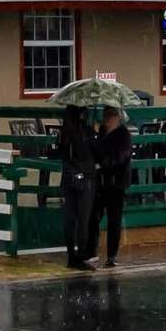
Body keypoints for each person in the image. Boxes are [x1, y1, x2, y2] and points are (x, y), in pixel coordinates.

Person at [55, 107, 99, 271]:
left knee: (70, 218)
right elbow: (96, 150)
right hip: (85, 177)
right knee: (83, 218)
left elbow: (59, 153)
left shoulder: (64, 133)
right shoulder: (85, 132)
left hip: (69, 177)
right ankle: (81, 254)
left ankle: (71, 256)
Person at [90, 105, 132, 267]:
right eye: (105, 116)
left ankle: (111, 255)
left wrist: (103, 165)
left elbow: (121, 159)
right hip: (101, 182)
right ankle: (91, 250)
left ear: (117, 118)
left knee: (114, 219)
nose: (107, 120)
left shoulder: (124, 135)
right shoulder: (101, 132)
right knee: (94, 215)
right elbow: (97, 150)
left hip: (116, 182)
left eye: (110, 116)